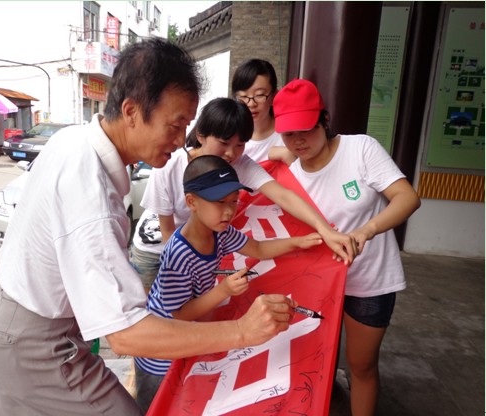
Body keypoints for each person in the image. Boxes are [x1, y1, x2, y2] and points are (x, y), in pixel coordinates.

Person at [0, 38, 299, 416]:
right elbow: (127, 334)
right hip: (35, 340)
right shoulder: (92, 195)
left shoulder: (74, 139)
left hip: (10, 317)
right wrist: (243, 331)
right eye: (175, 125)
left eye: (186, 126)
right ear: (131, 111)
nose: (180, 141)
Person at [270, 79, 421, 416]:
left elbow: (407, 198)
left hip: (369, 282)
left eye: (306, 130)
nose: (298, 141)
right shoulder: (289, 176)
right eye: (289, 134)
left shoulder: (360, 149)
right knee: (310, 362)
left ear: (324, 120)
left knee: (361, 365)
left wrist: (367, 230)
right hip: (317, 286)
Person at [134, 155, 324, 412]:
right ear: (191, 202)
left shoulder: (220, 232)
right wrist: (222, 290)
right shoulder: (178, 253)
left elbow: (258, 248)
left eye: (234, 201)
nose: (228, 211)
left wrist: (297, 242)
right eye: (219, 202)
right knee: (156, 407)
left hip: (187, 336)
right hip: (160, 356)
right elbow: (179, 314)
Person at [130, 97, 357, 294]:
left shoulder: (240, 164)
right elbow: (168, 231)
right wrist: (191, 267)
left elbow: (283, 196)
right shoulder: (170, 167)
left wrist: (324, 230)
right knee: (158, 315)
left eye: (240, 145)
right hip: (157, 251)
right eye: (223, 143)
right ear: (200, 135)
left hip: (197, 251)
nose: (231, 153)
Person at [231, 58, 284, 162]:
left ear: (274, 96)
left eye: (259, 95)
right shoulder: (229, 138)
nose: (251, 104)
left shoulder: (288, 135)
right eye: (243, 96)